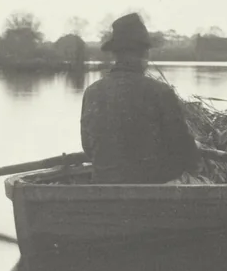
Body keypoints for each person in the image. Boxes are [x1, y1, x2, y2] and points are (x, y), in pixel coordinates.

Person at [80, 13, 201, 184]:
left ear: (115, 54)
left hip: (104, 183)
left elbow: (88, 147)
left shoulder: (91, 92)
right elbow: (182, 149)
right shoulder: (161, 92)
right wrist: (195, 157)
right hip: (153, 186)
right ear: (144, 53)